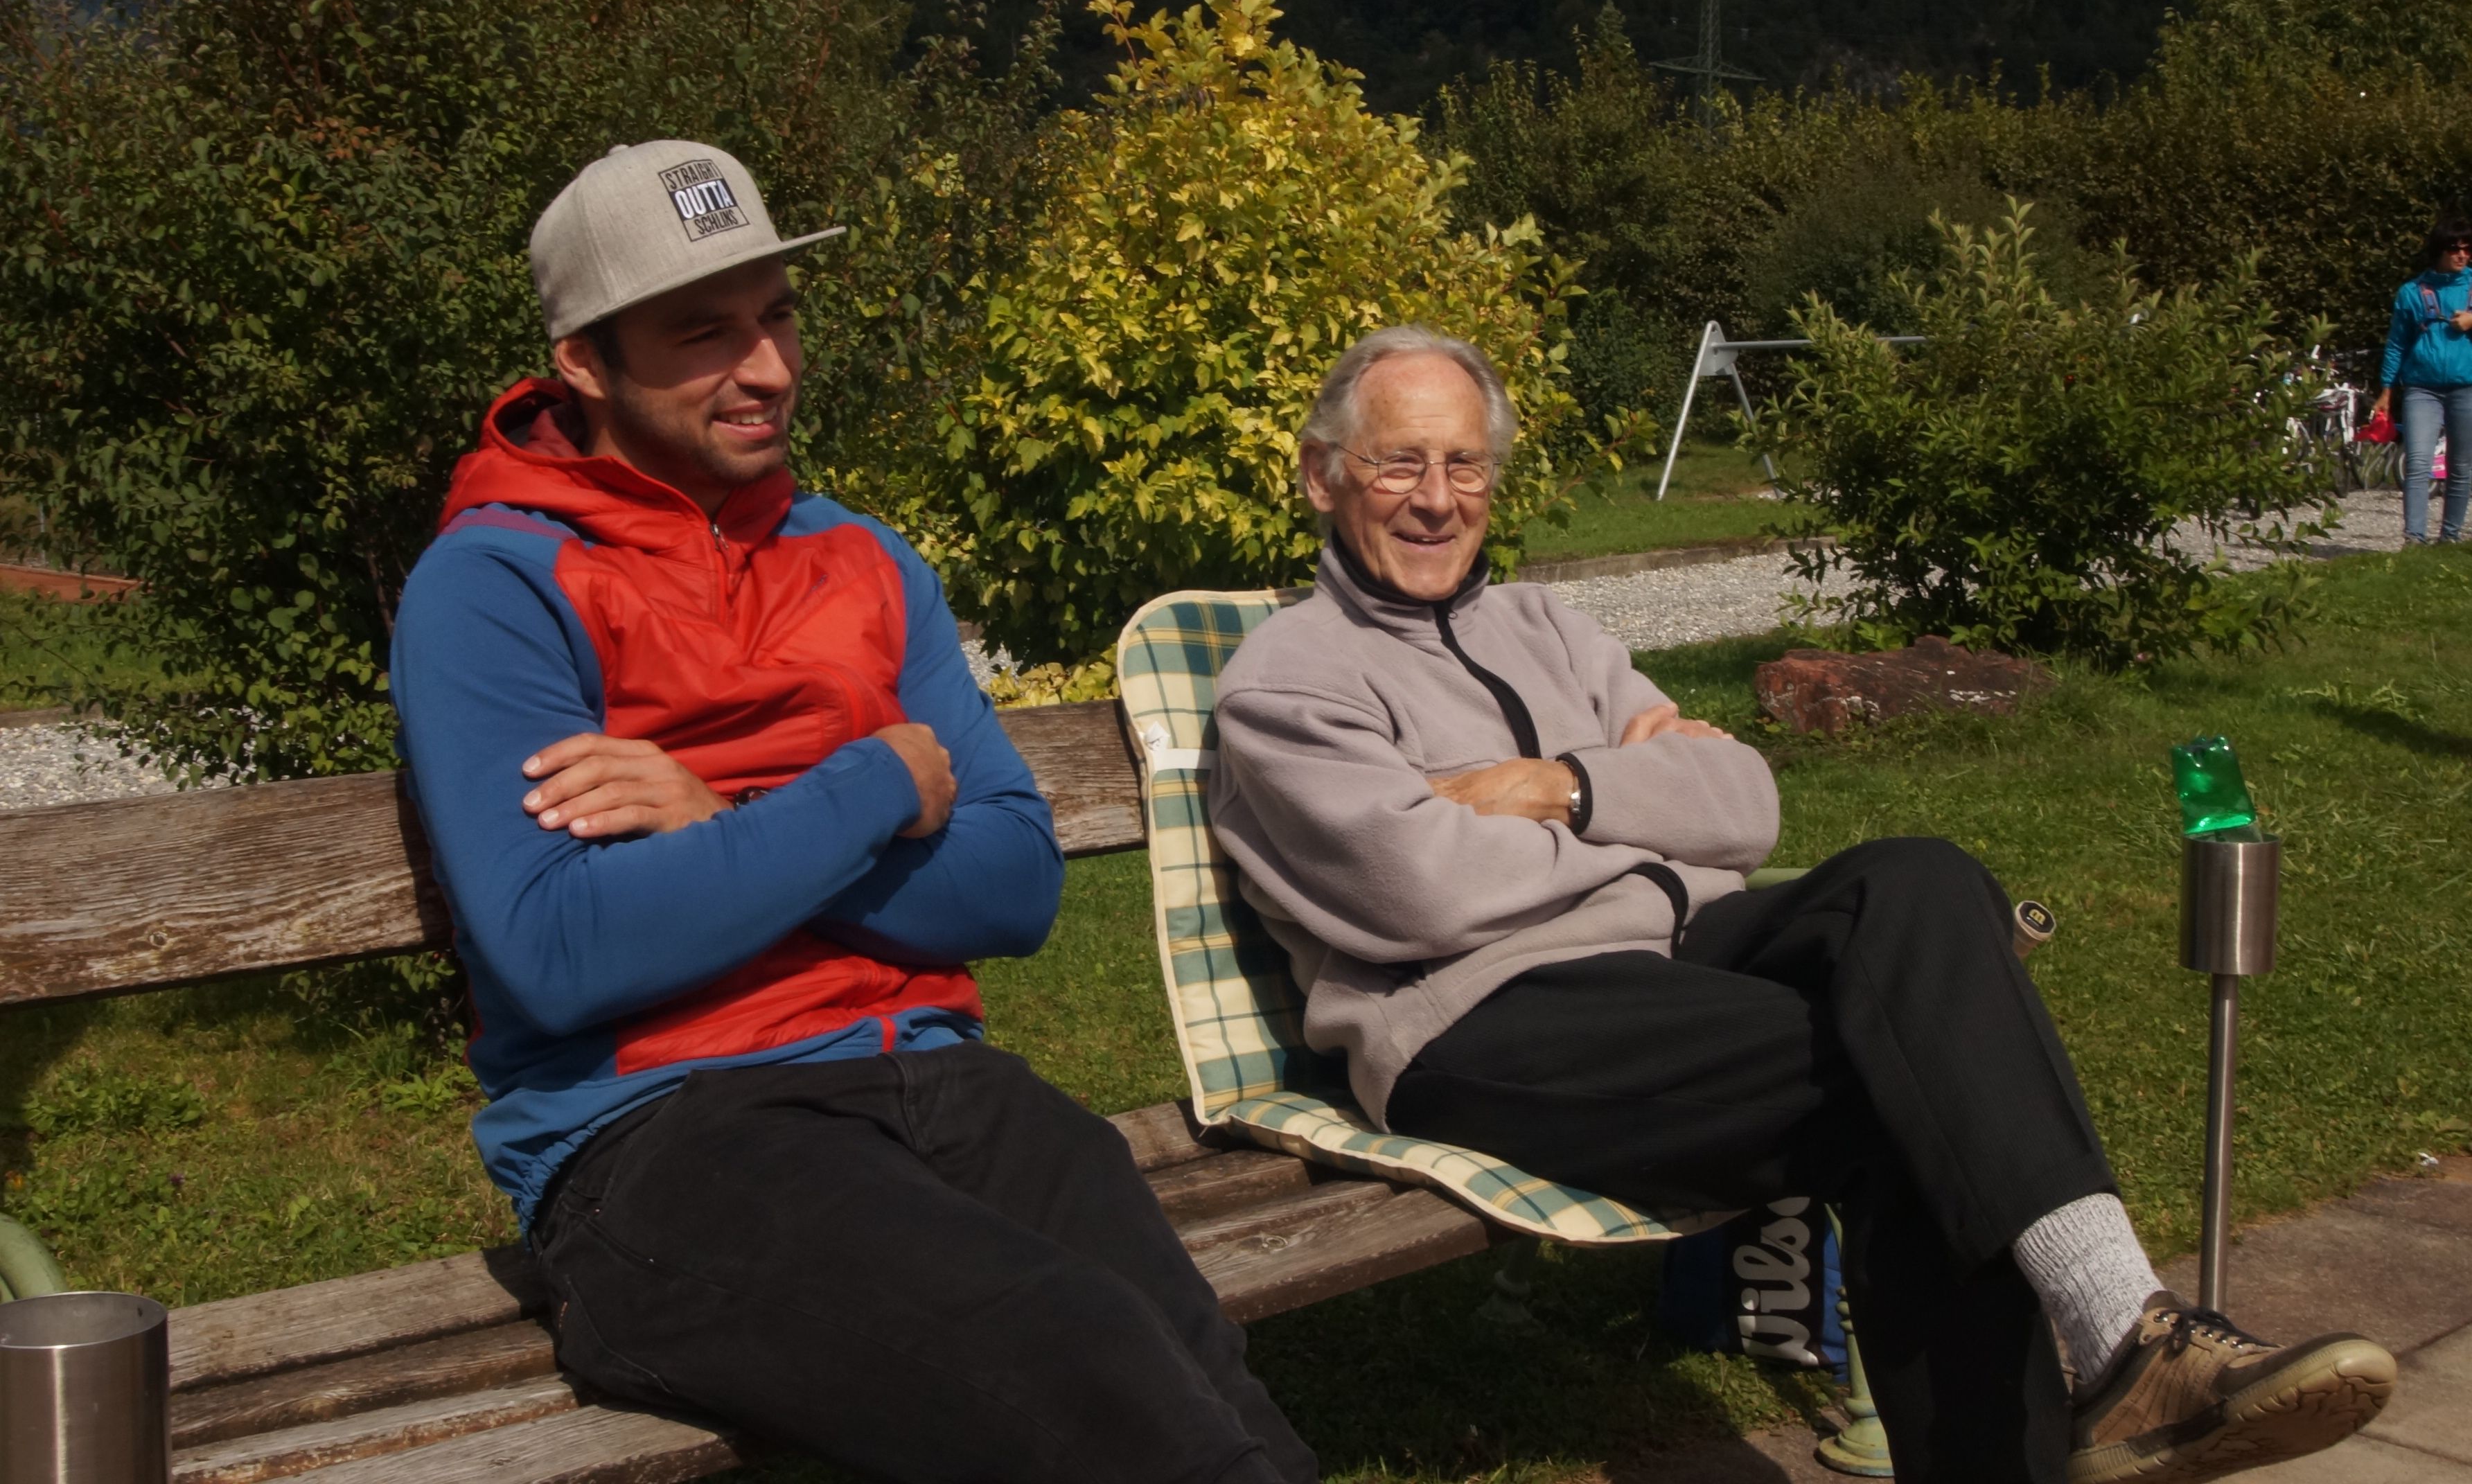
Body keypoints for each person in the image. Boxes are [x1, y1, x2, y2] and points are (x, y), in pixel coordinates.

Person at [1206, 326, 2397, 1484]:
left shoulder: (1543, 625)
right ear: (1323, 475)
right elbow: (1417, 886)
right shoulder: (1290, 678)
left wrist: (1556, 786)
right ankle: (2123, 1351)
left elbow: (1745, 803)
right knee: (1913, 1086)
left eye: (1464, 463)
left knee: (1921, 877)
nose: (1436, 498)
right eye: (1398, 463)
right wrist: (1640, 799)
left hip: (1673, 954)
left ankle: (2123, 1331)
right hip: (1479, 1018)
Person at [390, 141, 1316, 1484]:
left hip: (932, 1079)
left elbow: (1014, 881)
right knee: (1073, 1356)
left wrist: (717, 815)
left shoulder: (862, 556)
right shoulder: (494, 583)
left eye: (775, 314)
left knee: (1200, 1372)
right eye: (703, 332)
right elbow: (561, 945)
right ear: (583, 361)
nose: (766, 366)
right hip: (664, 1137)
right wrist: (872, 785)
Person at [2375, 213, 2472, 545]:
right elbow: (2396, 344)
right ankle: (2414, 538)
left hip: (2466, 387)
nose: (2462, 255)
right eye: (2455, 249)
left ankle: (2450, 537)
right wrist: (2386, 390)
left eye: (2467, 249)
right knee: (2418, 462)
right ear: (2439, 251)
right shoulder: (2412, 292)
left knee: (2461, 466)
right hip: (2422, 389)